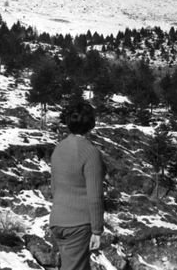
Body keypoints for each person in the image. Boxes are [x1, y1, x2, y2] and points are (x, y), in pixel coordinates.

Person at [49, 100, 105, 270]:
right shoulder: (90, 152)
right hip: (78, 224)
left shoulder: (59, 148)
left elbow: (54, 188)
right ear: (91, 124)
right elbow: (95, 196)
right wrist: (97, 230)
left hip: (58, 220)